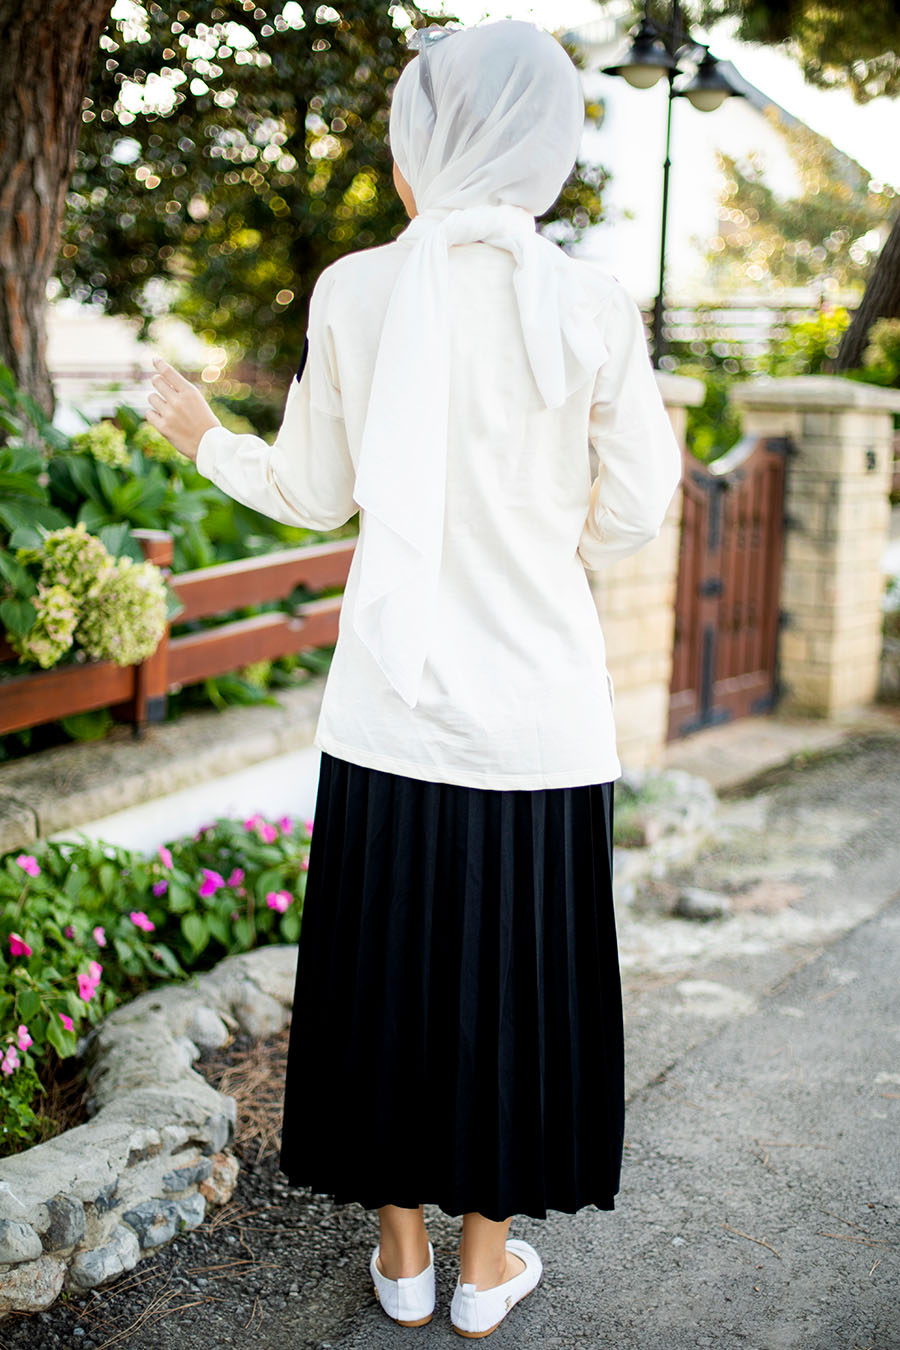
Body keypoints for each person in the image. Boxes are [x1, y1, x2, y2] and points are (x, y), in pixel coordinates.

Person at [146, 17, 683, 1340]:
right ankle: (485, 1265)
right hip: (542, 719)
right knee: (518, 980)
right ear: (544, 146)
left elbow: (315, 491)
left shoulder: (357, 289)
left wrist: (208, 439)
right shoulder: (590, 304)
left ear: (425, 140)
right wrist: (553, 533)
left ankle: (398, 1251)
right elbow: (639, 508)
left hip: (391, 706)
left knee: (388, 972)